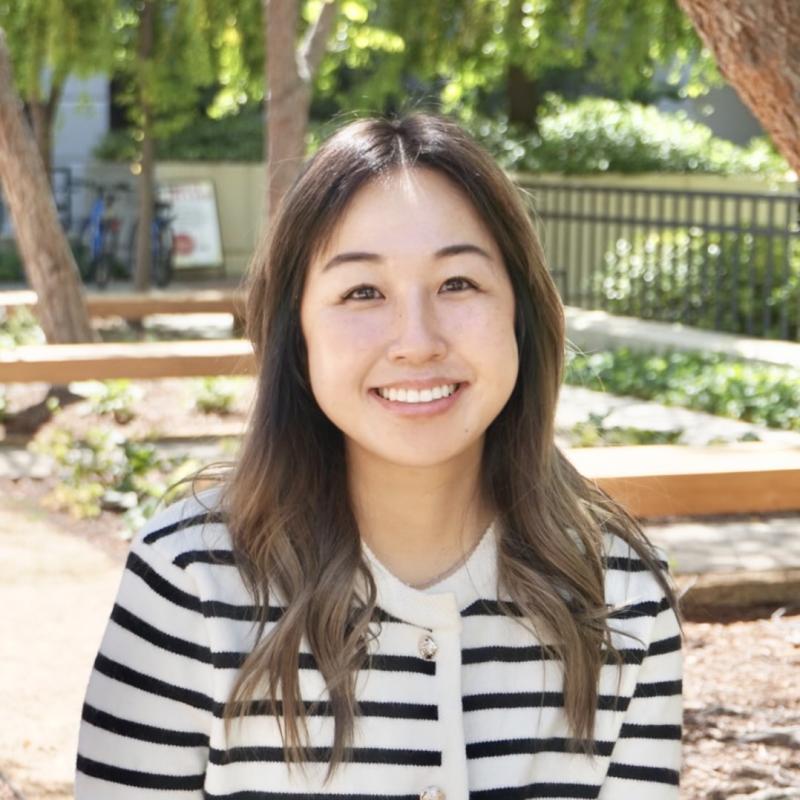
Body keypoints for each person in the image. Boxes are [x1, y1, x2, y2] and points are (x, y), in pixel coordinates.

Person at [75, 113, 682, 799]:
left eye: (458, 283)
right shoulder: (192, 583)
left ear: (521, 311)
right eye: (362, 291)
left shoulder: (623, 594)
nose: (416, 340)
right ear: (295, 332)